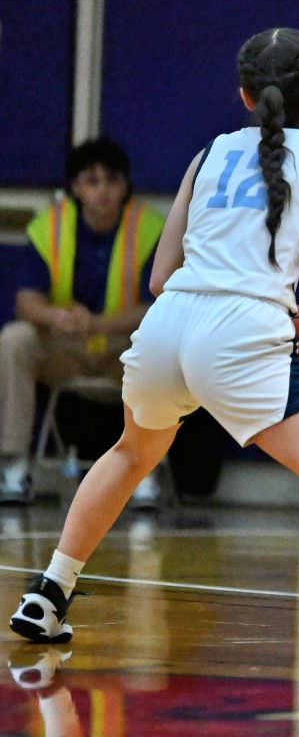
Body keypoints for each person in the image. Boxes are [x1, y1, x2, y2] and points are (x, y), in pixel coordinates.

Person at [7, 27, 299, 672]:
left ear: (244, 95)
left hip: (168, 326)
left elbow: (158, 278)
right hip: (243, 333)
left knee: (131, 452)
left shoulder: (208, 153)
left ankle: (49, 592)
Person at [0, 137, 167, 507]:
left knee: (162, 343)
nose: (103, 190)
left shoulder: (151, 230)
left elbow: (159, 307)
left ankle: (145, 473)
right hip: (66, 349)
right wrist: (54, 317)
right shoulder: (49, 227)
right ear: (76, 187)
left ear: (125, 186)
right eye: (92, 180)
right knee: (15, 338)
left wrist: (96, 325)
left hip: (122, 352)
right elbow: (25, 302)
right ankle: (13, 470)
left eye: (111, 180)